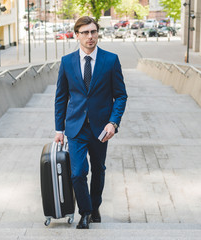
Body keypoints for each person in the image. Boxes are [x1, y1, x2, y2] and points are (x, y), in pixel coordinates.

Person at [54, 16, 127, 229]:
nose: (90, 37)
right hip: (75, 127)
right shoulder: (67, 62)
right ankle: (85, 212)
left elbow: (121, 95)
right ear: (77, 35)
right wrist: (59, 128)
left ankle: (95, 207)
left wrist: (113, 123)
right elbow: (61, 96)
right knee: (77, 172)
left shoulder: (110, 60)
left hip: (101, 128)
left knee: (99, 169)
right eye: (85, 32)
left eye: (93, 32)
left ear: (98, 33)